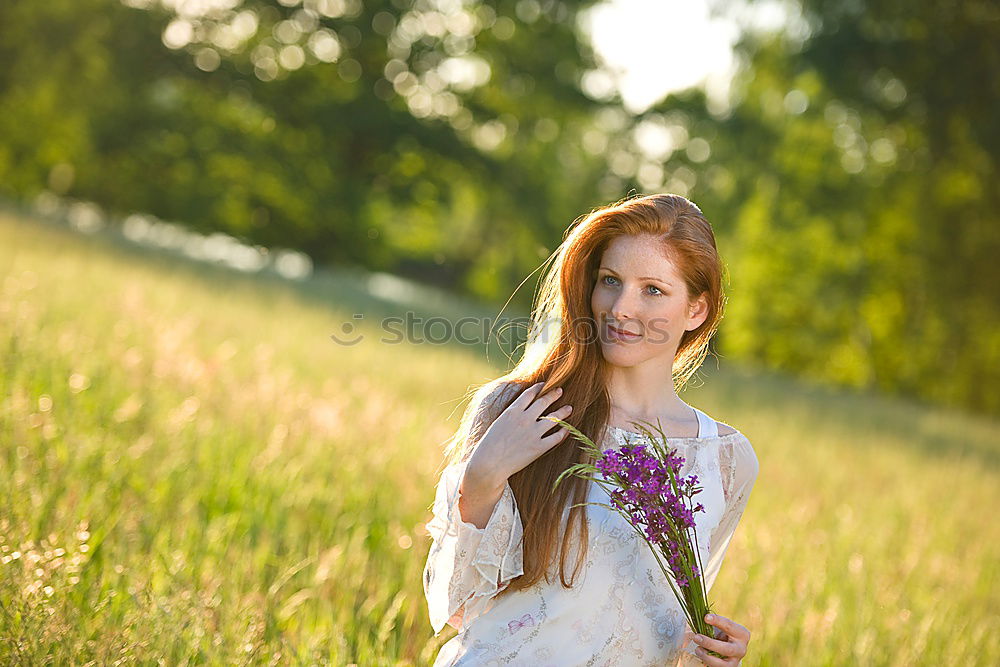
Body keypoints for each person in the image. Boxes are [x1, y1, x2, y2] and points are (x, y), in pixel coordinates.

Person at [422, 194, 759, 666]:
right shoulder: (518, 408)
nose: (620, 307)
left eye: (653, 290)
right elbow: (458, 609)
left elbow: (669, 627)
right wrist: (481, 482)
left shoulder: (725, 458)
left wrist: (714, 654)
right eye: (610, 281)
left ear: (696, 310)